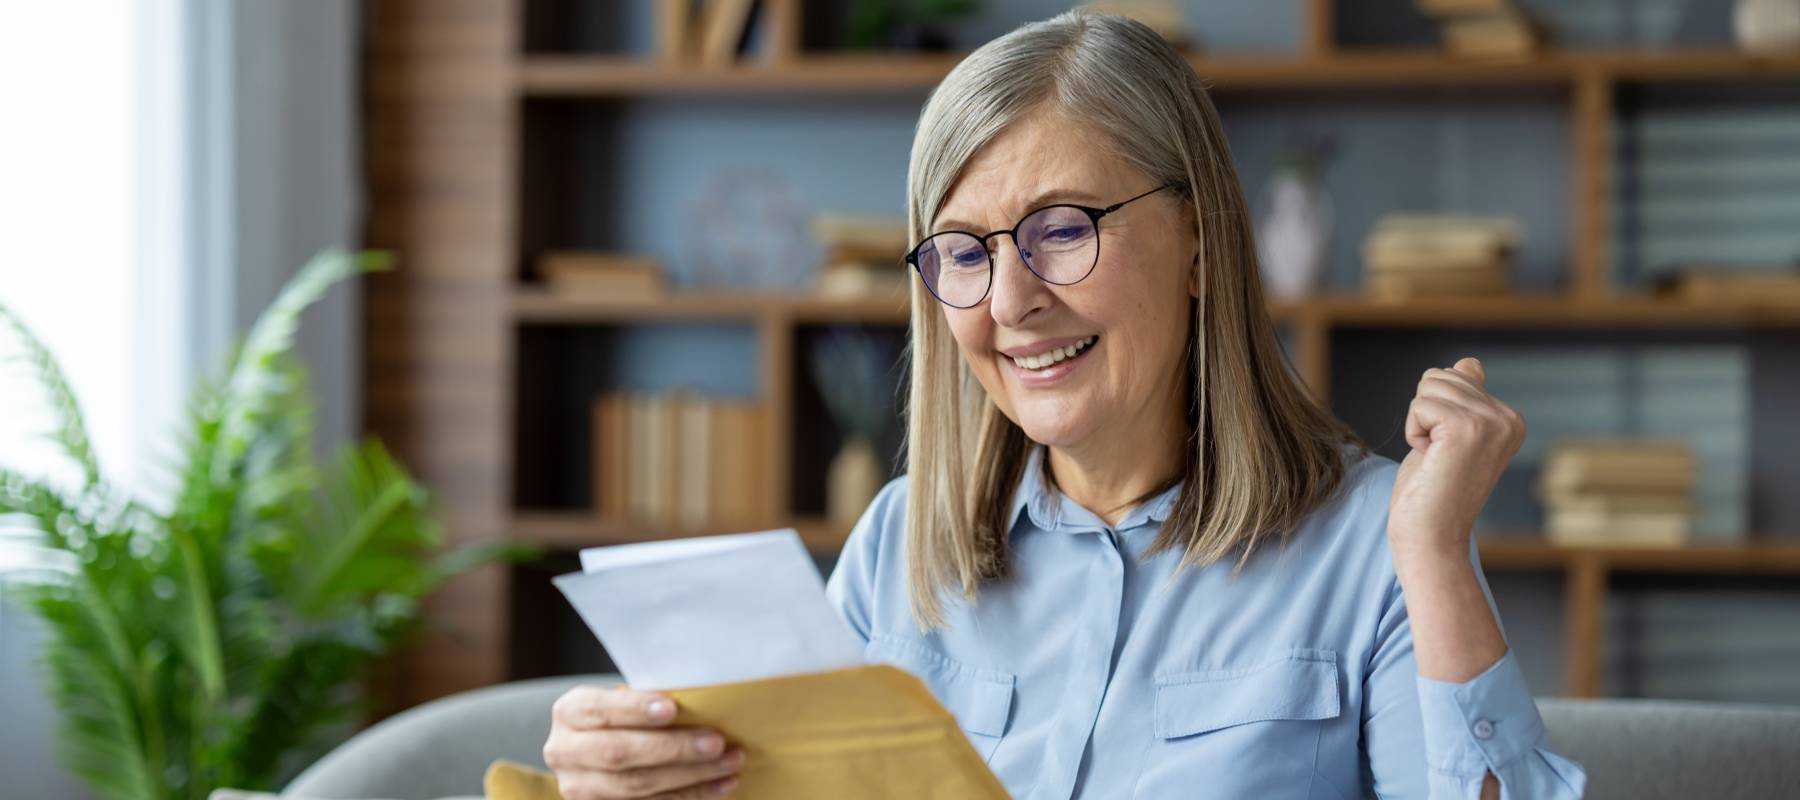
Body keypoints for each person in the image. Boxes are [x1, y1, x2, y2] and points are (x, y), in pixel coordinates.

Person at [542, 9, 1586, 799]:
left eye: (1063, 228)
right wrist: (645, 768)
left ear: (1198, 244)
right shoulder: (899, 545)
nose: (1011, 302)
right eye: (965, 251)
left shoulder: (1378, 546)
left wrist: (1439, 554)